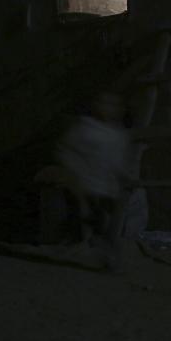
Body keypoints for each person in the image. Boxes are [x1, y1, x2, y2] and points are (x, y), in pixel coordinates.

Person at [55, 91, 132, 267]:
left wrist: (123, 177)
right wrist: (74, 173)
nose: (108, 108)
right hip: (84, 184)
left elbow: (117, 161)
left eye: (113, 105)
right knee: (91, 221)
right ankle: (92, 254)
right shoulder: (85, 128)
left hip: (107, 187)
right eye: (103, 103)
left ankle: (104, 256)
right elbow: (65, 150)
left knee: (103, 224)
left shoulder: (118, 135)